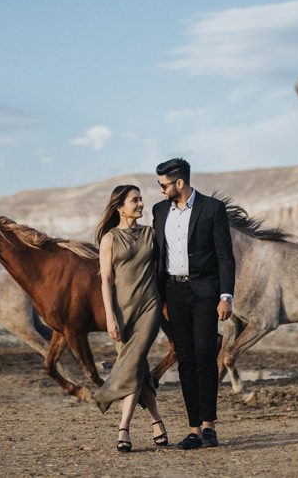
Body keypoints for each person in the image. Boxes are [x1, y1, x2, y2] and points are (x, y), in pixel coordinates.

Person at [152, 157, 235, 450]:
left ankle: (209, 426)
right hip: (173, 292)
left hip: (205, 292)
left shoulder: (212, 209)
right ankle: (194, 430)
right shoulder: (159, 210)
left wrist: (226, 296)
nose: (160, 189)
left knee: (204, 353)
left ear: (180, 183)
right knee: (185, 357)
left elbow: (225, 255)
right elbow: (157, 253)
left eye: (163, 184)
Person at [93, 184, 168, 452]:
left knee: (134, 362)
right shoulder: (109, 239)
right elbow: (106, 281)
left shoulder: (151, 234)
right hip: (122, 311)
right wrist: (110, 317)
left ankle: (122, 425)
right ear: (120, 207)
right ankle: (157, 420)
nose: (140, 204)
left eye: (141, 199)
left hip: (149, 306)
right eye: (135, 200)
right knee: (138, 368)